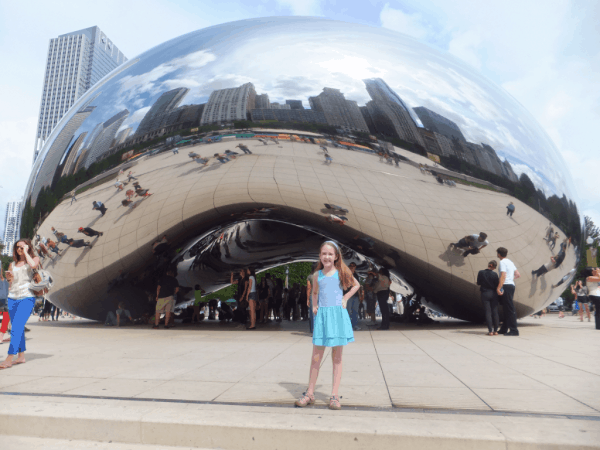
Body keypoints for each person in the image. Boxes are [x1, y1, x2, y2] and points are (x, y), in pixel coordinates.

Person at [295, 241, 359, 410]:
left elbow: (356, 285)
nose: (327, 257)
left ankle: (334, 395)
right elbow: (315, 292)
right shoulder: (317, 275)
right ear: (320, 256)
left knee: (337, 358)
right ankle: (310, 393)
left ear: (336, 256)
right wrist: (314, 305)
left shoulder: (341, 272)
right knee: (316, 357)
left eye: (330, 254)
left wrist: (345, 299)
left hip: (337, 316)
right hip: (323, 317)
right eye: (324, 254)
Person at [1, 240, 40, 369]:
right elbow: (12, 283)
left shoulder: (34, 258)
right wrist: (9, 279)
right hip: (13, 298)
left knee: (16, 327)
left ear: (27, 247)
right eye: (17, 247)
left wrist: (26, 252)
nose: (19, 249)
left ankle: (9, 357)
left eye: (22, 246)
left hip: (27, 297)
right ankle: (21, 356)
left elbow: (34, 266)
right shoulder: (13, 264)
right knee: (18, 328)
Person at [496, 247, 520, 336]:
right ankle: (504, 329)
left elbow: (503, 275)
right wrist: (511, 279)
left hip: (506, 286)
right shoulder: (510, 262)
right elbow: (518, 274)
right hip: (511, 285)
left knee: (509, 308)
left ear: (499, 254)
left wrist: (499, 287)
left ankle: (514, 330)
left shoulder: (502, 262)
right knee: (507, 308)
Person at [477, 260, 500, 335]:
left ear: (489, 265)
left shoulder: (481, 272)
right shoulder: (495, 274)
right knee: (495, 312)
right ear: (493, 266)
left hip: (485, 293)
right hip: (493, 294)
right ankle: (496, 330)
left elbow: (478, 282)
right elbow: (497, 284)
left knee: (488, 312)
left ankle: (490, 331)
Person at [346, 262, 361, 331]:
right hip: (349, 295)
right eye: (350, 265)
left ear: (355, 267)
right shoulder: (346, 274)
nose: (352, 267)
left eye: (353, 266)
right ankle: (348, 326)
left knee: (355, 311)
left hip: (355, 296)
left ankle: (355, 325)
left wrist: (360, 295)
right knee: (348, 311)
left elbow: (358, 286)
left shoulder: (356, 275)